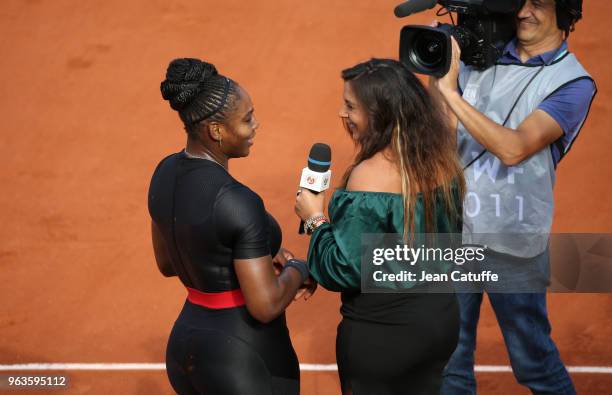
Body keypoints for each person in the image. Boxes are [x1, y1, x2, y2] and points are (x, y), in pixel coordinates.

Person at [429, 1, 597, 394]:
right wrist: (441, 76)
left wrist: (450, 93)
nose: (523, 11)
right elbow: (441, 138)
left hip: (513, 242)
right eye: (520, 1)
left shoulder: (572, 83)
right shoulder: (481, 55)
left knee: (533, 363)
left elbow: (514, 148)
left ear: (566, 14)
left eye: (538, 3)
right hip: (455, 232)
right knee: (450, 360)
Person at [295, 58, 466, 395]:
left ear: (379, 114)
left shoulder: (370, 176)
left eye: (350, 106)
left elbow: (345, 270)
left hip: (384, 335)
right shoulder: (440, 158)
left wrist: (315, 219)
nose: (342, 115)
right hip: (439, 321)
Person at [148, 58, 315, 395]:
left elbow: (168, 263)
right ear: (216, 131)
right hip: (243, 357)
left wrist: (256, 254)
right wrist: (299, 268)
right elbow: (265, 305)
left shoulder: (163, 172)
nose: (256, 126)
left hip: (185, 348)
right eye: (247, 119)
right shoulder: (238, 200)